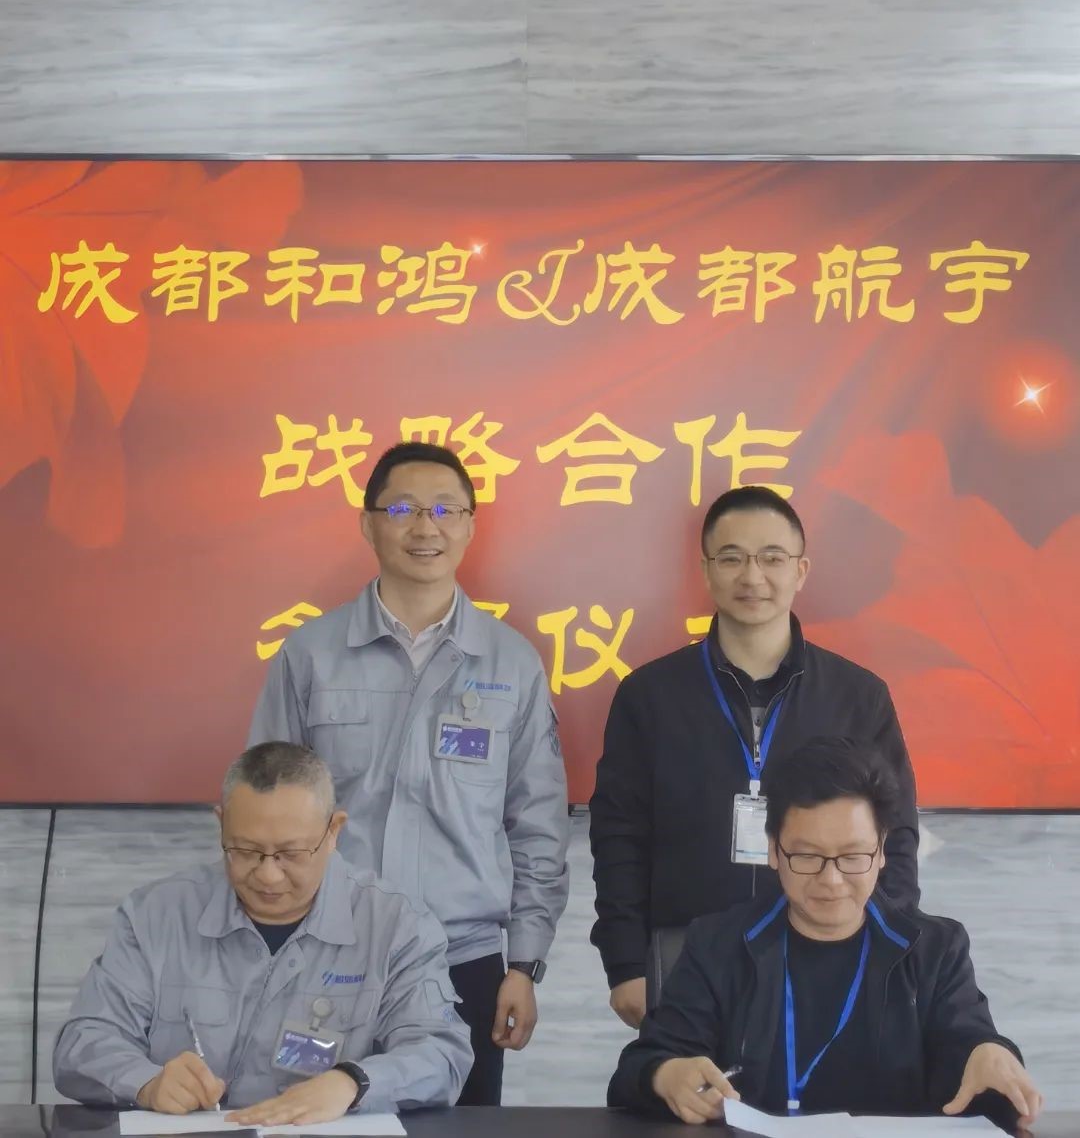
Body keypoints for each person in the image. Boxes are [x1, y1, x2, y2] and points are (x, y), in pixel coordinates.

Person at [248, 441, 570, 1106]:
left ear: (470, 526)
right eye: (402, 509)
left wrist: (523, 964)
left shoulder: (511, 664)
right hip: (326, 956)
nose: (426, 527)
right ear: (368, 525)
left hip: (464, 963)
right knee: (316, 1117)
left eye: (446, 510)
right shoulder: (311, 655)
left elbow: (537, 825)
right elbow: (262, 815)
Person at [590, 485, 920, 1029]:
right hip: (685, 957)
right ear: (706, 570)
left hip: (829, 955)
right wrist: (626, 963)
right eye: (732, 558)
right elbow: (618, 836)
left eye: (772, 558)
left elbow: (896, 835)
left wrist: (889, 951)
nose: (752, 577)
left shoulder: (858, 697)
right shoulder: (650, 695)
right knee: (684, 1084)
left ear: (801, 570)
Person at [607, 737, 1041, 1131]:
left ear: (881, 851)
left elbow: (967, 1046)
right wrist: (666, 1075)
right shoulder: (717, 944)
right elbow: (640, 1067)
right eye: (807, 856)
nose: (831, 880)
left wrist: (989, 1052)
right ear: (774, 850)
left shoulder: (934, 950)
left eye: (852, 856)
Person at [53, 743, 472, 1123]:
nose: (268, 876)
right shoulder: (156, 914)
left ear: (333, 832)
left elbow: (441, 1053)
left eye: (291, 853)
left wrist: (352, 1082)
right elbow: (83, 1042)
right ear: (221, 825)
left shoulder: (396, 925)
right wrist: (146, 1082)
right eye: (245, 851)